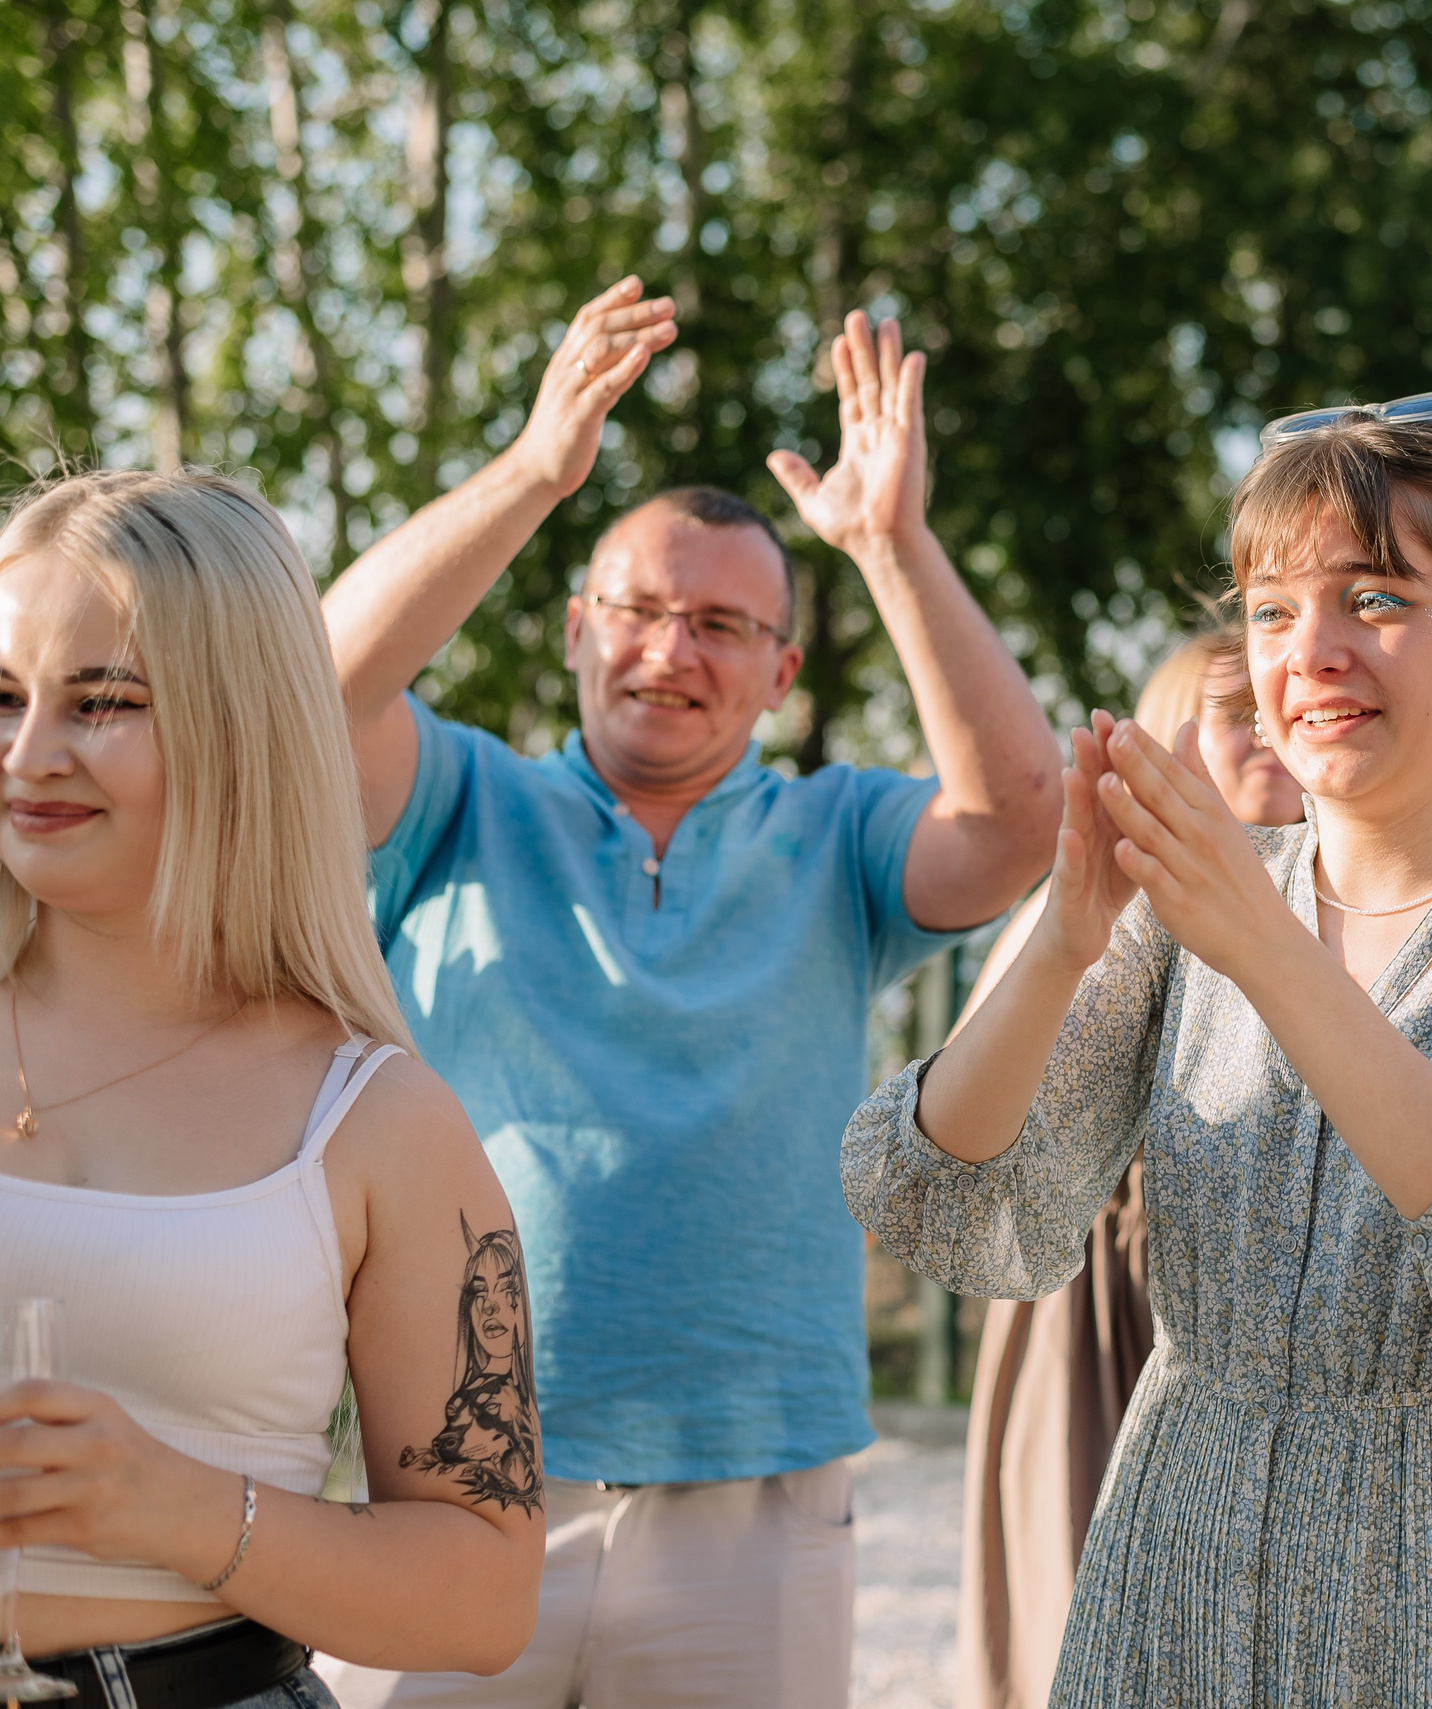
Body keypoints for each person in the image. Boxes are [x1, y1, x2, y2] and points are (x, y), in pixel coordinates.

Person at [845, 395, 1432, 1705]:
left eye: (1373, 599)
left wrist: (1265, 946)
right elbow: (954, 1204)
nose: (1307, 652)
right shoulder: (1178, 897)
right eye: (1268, 609)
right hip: (1168, 1561)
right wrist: (1060, 943)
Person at [313, 282, 1062, 1709]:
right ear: (579, 629)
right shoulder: (460, 795)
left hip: (757, 1507)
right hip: (458, 1479)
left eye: (722, 625)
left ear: (781, 672)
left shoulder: (836, 835)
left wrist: (893, 546)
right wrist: (539, 465)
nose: (673, 649)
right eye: (643, 611)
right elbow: (320, 677)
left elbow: (1022, 817)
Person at [0, 470, 542, 1705]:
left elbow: (487, 1595)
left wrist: (172, 1504)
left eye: (106, 701)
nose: (31, 754)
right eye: (3, 695)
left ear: (240, 725)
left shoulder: (374, 1118)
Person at [957, 624, 1302, 1709]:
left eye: (1276, 708)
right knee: (1084, 1620)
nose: (1265, 735)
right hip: (1101, 1303)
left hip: (1283, 1330)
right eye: (1231, 712)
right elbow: (966, 1117)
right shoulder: (1095, 893)